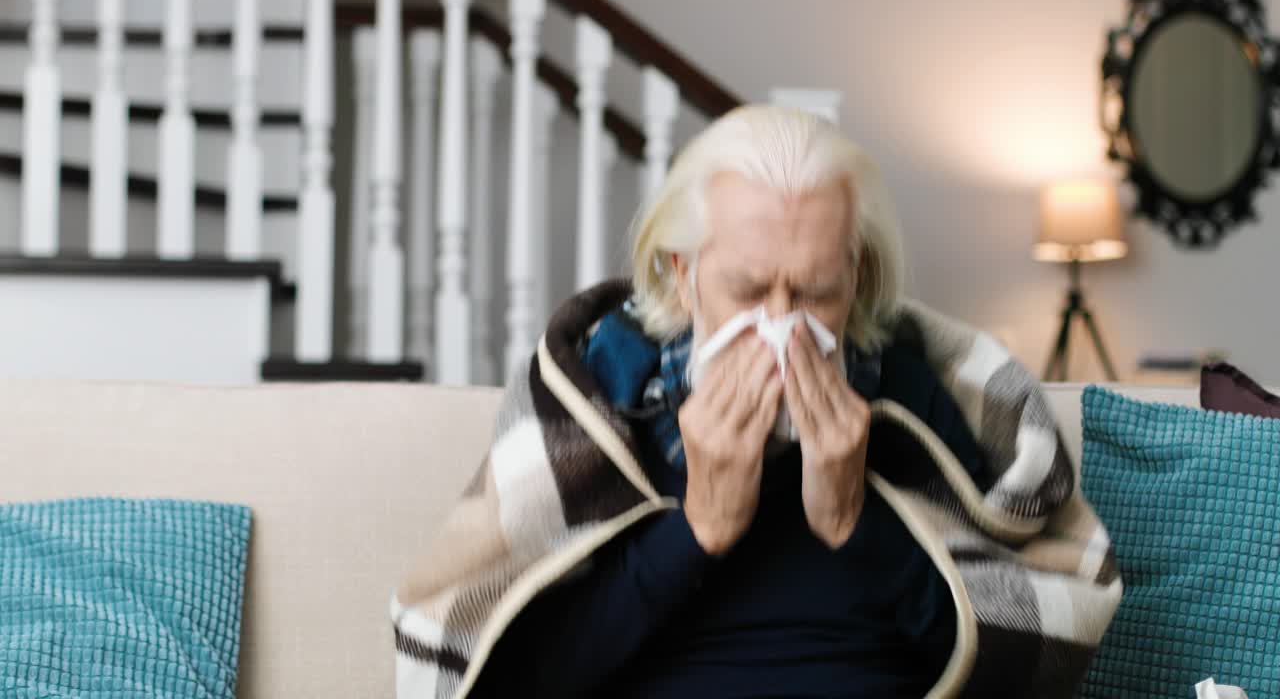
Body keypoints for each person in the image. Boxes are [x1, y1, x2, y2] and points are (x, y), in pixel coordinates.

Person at [393, 105, 1118, 699]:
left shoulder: (904, 390)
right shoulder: (604, 399)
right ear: (683, 275)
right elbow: (513, 676)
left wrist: (853, 521)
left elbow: (1010, 670)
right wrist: (697, 529)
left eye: (814, 292)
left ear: (856, 278)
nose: (779, 323)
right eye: (747, 289)